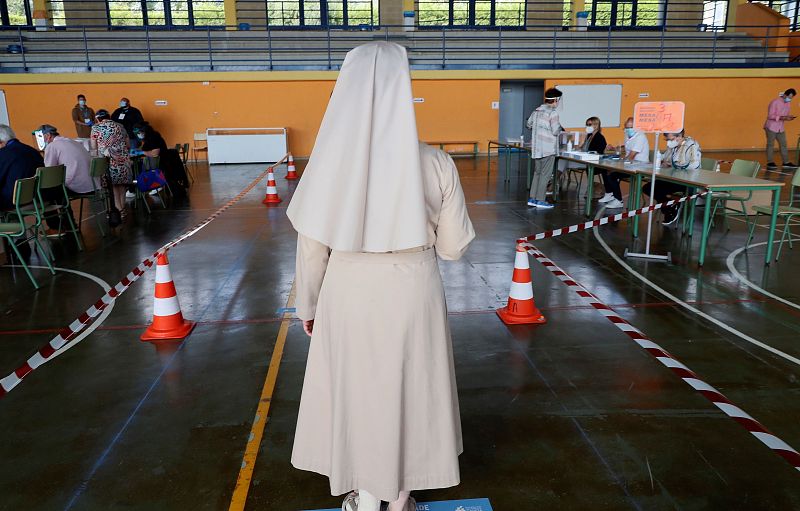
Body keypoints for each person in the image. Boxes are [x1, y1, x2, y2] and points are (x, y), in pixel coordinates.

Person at [287, 42, 475, 511]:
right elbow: (452, 248)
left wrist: (307, 306)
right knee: (413, 391)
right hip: (414, 289)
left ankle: (366, 499)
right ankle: (401, 499)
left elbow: (312, 247)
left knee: (360, 393)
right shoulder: (436, 161)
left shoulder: (329, 163)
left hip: (348, 289)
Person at [37, 124, 95, 235]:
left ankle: (58, 227)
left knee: (46, 192)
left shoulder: (52, 146)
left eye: (41, 137)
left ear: (48, 136)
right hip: (91, 184)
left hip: (76, 186)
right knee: (58, 191)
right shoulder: (72, 141)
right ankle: (69, 225)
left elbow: (48, 172)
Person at [0, 124, 44, 263]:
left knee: (8, 203)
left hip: (18, 203)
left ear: (1, 143)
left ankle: (14, 246)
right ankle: (19, 244)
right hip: (38, 200)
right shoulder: (33, 151)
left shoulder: (4, 155)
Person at [642, 130, 702, 226]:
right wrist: (662, 161)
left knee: (659, 189)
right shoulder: (673, 147)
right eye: (667, 139)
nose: (668, 142)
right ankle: (670, 206)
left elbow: (695, 165)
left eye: (671, 139)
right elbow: (665, 157)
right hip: (672, 179)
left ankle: (669, 209)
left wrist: (675, 165)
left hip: (688, 181)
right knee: (648, 187)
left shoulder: (692, 145)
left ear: (679, 136)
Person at [601, 117, 650, 210]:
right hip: (629, 164)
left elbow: (631, 155)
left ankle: (618, 200)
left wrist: (618, 164)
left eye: (630, 127)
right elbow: (625, 149)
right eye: (626, 127)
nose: (628, 130)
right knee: (606, 170)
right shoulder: (628, 135)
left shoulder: (640, 137)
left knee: (613, 175)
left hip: (639, 167)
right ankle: (610, 194)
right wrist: (614, 149)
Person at [526, 87, 563, 209]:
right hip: (548, 149)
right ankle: (541, 200)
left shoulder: (536, 111)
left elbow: (528, 124)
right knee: (545, 175)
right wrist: (560, 129)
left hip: (537, 148)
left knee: (537, 173)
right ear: (556, 100)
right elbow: (556, 130)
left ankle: (532, 198)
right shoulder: (553, 113)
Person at [91, 109, 132, 216]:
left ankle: (119, 211)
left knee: (113, 186)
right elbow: (128, 144)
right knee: (122, 186)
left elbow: (94, 145)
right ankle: (122, 208)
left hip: (109, 160)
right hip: (123, 160)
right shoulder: (120, 126)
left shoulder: (95, 128)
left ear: (98, 118)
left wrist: (96, 154)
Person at [133, 121, 188, 198]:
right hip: (160, 162)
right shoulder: (148, 138)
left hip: (161, 163)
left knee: (134, 168)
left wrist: (141, 152)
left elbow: (155, 153)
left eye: (140, 132)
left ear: (145, 130)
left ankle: (135, 189)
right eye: (138, 133)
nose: (139, 134)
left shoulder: (153, 137)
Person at [583, 117, 622, 209]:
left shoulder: (600, 137)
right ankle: (608, 193)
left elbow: (600, 151)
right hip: (590, 161)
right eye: (587, 124)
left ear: (596, 126)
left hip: (598, 161)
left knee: (605, 170)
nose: (588, 126)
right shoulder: (588, 136)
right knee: (590, 168)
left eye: (590, 124)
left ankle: (609, 193)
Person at [764, 88, 798, 170]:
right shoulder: (775, 102)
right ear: (785, 95)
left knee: (783, 144)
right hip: (771, 127)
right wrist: (783, 117)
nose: (789, 99)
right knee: (770, 145)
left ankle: (786, 162)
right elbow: (770, 116)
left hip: (780, 127)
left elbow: (785, 115)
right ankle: (770, 162)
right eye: (789, 97)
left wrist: (789, 117)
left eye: (791, 98)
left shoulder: (788, 103)